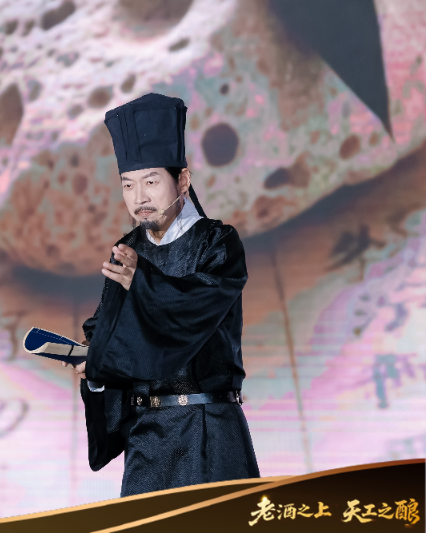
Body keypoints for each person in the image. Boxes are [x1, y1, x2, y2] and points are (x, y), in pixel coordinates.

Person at [63, 93, 260, 496]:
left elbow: (192, 313)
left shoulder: (217, 243)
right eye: (128, 185)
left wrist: (142, 282)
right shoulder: (127, 249)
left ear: (182, 180)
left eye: (151, 182)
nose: (139, 198)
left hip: (207, 431)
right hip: (146, 441)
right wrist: (95, 368)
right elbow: (106, 332)